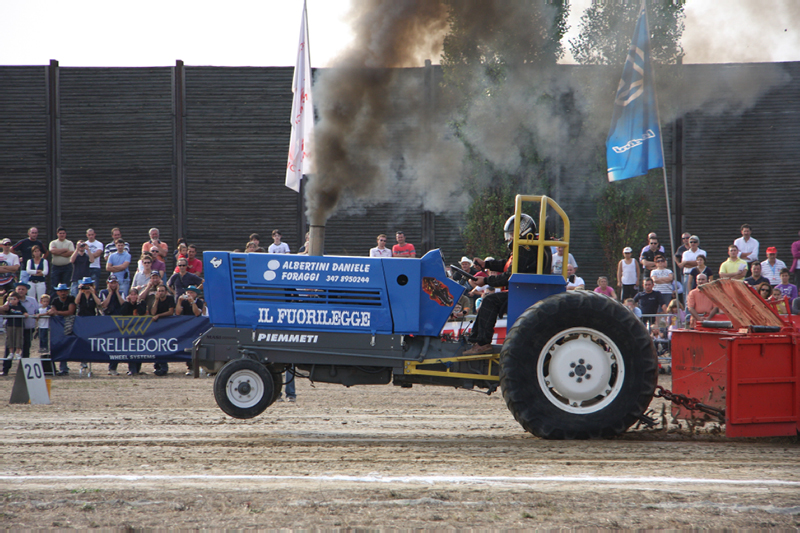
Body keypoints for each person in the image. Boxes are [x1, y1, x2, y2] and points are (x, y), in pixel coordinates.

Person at [463, 214, 551, 356]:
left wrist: (485, 281)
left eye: (512, 234)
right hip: (523, 291)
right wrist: (486, 264)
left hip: (524, 294)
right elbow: (507, 264)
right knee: (489, 300)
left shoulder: (525, 248)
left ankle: (483, 343)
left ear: (522, 230)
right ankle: (476, 340)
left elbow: (508, 276)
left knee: (490, 301)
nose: (509, 238)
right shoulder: (525, 247)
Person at [1, 282, 38, 376]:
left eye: (23, 289)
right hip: (13, 327)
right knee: (9, 347)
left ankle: (24, 371)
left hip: (27, 328)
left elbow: (36, 312)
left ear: (26, 291)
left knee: (25, 348)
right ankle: (5, 369)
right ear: (16, 290)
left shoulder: (32, 300)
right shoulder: (10, 300)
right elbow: (4, 310)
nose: (21, 291)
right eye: (19, 289)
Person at [175, 285, 205, 375]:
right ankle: (190, 367)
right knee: (187, 346)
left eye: (191, 292)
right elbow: (177, 312)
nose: (189, 294)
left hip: (196, 327)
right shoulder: (183, 302)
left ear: (196, 294)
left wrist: (192, 303)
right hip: (186, 327)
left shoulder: (199, 302)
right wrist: (179, 301)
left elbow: (197, 313)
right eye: (188, 292)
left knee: (197, 347)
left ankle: (199, 367)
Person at [118, 288, 147, 376]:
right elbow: (123, 312)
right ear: (129, 296)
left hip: (140, 330)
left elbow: (142, 312)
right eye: (132, 295)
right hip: (129, 330)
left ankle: (137, 369)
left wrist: (138, 303)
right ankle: (132, 369)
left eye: (135, 295)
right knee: (131, 350)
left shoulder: (142, 303)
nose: (133, 296)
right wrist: (127, 303)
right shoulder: (126, 304)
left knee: (139, 350)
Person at [49, 283, 76, 375]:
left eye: (64, 291)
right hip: (58, 326)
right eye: (61, 291)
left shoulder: (71, 299)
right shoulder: (55, 300)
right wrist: (57, 312)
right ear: (57, 292)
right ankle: (58, 368)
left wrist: (57, 312)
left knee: (71, 345)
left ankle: (82, 365)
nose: (63, 293)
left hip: (71, 325)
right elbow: (52, 311)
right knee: (57, 345)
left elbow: (71, 311)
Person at [149, 284, 175, 376]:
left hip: (167, 325)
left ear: (166, 292)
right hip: (157, 326)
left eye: (162, 291)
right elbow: (153, 312)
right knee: (156, 345)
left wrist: (159, 316)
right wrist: (156, 300)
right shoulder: (154, 299)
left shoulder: (170, 299)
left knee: (163, 345)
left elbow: (171, 312)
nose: (160, 293)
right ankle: (157, 366)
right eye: (159, 291)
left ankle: (164, 367)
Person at [2, 292, 27, 365]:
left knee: (19, 338)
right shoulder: (9, 307)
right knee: (10, 339)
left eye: (14, 299)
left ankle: (18, 353)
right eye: (11, 299)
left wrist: (25, 314)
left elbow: (25, 312)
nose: (13, 300)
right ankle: (11, 352)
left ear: (18, 300)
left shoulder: (20, 307)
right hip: (10, 325)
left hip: (19, 325)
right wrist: (7, 301)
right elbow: (5, 308)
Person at [49, 227, 75, 294]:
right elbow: (53, 251)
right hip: (56, 267)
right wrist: (65, 250)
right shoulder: (53, 243)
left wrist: (58, 252)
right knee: (54, 285)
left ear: (65, 234)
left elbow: (71, 253)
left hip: (67, 267)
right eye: (60, 233)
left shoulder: (69, 243)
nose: (62, 235)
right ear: (57, 234)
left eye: (63, 233)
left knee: (66, 286)